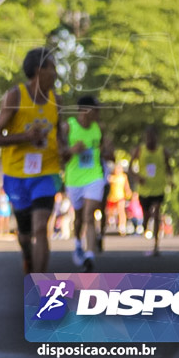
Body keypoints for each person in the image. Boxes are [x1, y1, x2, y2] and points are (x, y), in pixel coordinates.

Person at [0, 46, 65, 274]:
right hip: (17, 174)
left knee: (40, 227)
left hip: (46, 172)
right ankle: (27, 256)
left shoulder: (57, 101)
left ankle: (40, 284)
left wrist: (66, 151)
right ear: (38, 70)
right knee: (25, 235)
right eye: (52, 67)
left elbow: (60, 138)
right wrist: (26, 137)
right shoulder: (15, 96)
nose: (55, 73)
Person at [64, 95, 109, 272]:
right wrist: (71, 150)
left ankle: (90, 256)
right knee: (79, 217)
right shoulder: (68, 126)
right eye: (95, 109)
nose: (98, 113)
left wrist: (108, 151)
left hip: (94, 177)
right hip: (74, 179)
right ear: (84, 110)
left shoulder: (99, 129)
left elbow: (104, 151)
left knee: (89, 215)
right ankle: (77, 243)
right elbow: (60, 153)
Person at [130, 125, 173, 255]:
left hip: (159, 187)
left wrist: (171, 181)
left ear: (156, 137)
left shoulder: (163, 151)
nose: (150, 139)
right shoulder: (140, 150)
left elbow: (168, 167)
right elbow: (130, 168)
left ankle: (155, 245)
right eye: (147, 137)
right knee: (147, 214)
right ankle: (145, 223)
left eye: (152, 136)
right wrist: (137, 177)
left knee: (157, 213)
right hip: (144, 189)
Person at [104, 161, 132, 236]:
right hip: (111, 196)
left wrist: (128, 192)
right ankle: (110, 221)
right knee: (110, 212)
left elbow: (126, 186)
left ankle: (122, 226)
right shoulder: (111, 177)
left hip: (120, 196)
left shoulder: (123, 177)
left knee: (121, 211)